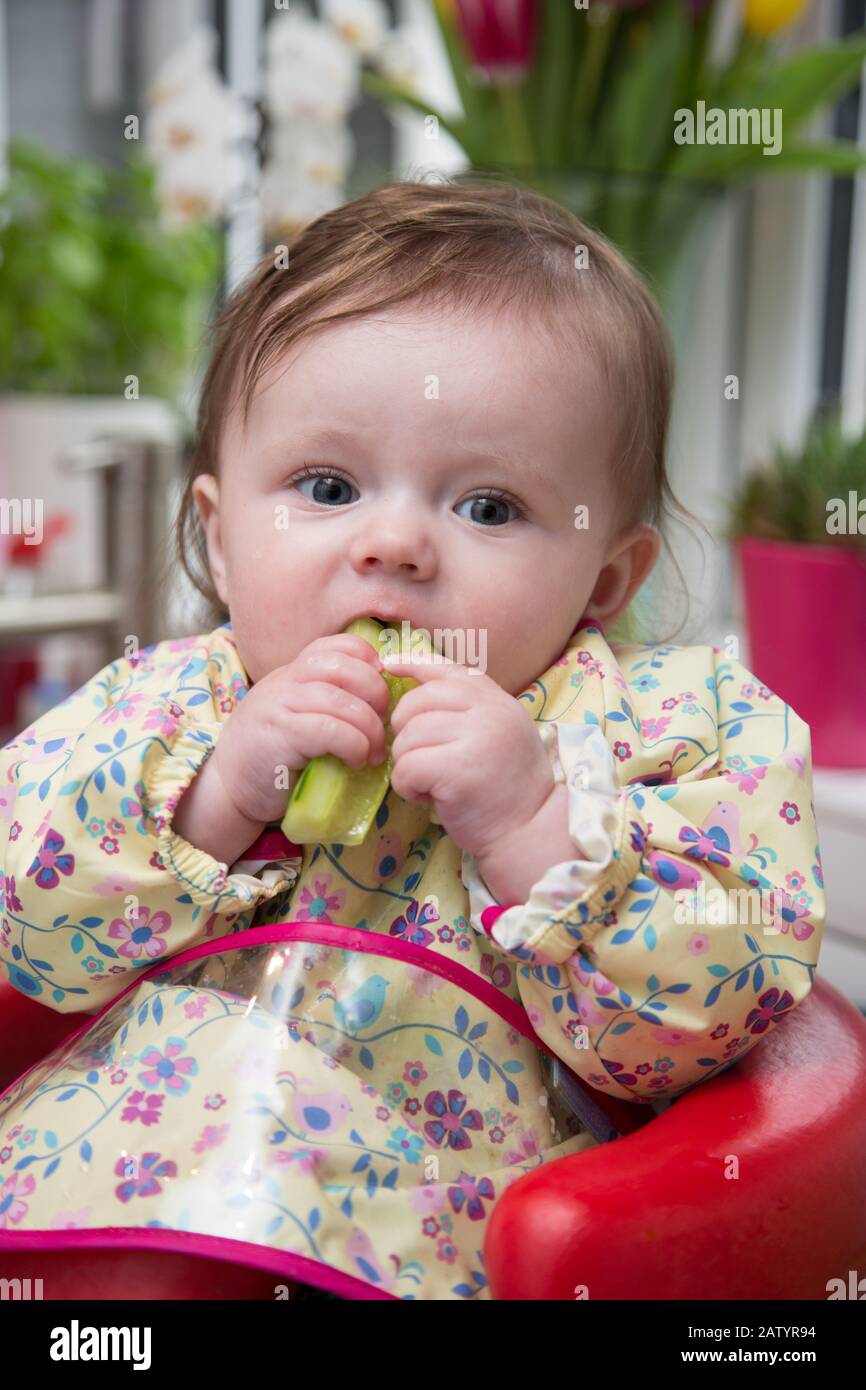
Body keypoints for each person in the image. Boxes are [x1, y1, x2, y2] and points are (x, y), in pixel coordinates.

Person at [0, 179, 824, 1301]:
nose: (391, 543)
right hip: (112, 1199)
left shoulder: (662, 732)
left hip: (436, 1224)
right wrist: (215, 797)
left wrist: (534, 826)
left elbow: (712, 1017)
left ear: (604, 579)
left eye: (486, 506)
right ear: (222, 534)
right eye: (326, 486)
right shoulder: (172, 704)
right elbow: (29, 932)